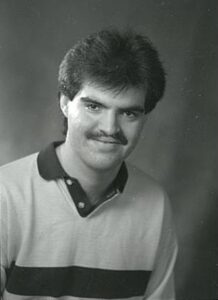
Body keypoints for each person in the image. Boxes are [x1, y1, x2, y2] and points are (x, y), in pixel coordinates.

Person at [0, 28, 178, 300]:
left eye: (128, 113)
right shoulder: (5, 194)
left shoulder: (156, 204)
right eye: (94, 106)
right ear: (64, 103)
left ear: (145, 118)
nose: (110, 128)